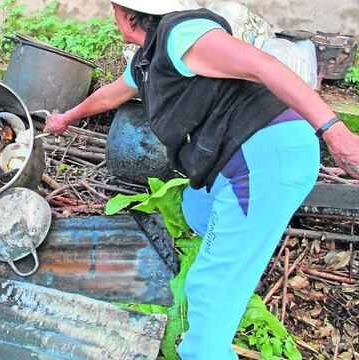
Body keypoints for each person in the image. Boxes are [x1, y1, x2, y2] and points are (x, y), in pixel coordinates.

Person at [44, 0, 359, 358]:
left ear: (131, 14)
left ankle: (205, 345)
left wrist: (335, 132)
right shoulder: (147, 60)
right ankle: (237, 253)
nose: (111, 13)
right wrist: (66, 118)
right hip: (233, 158)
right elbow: (109, 95)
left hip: (265, 157)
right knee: (195, 209)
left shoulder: (183, 33)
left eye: (114, 7)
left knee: (208, 291)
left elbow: (264, 65)